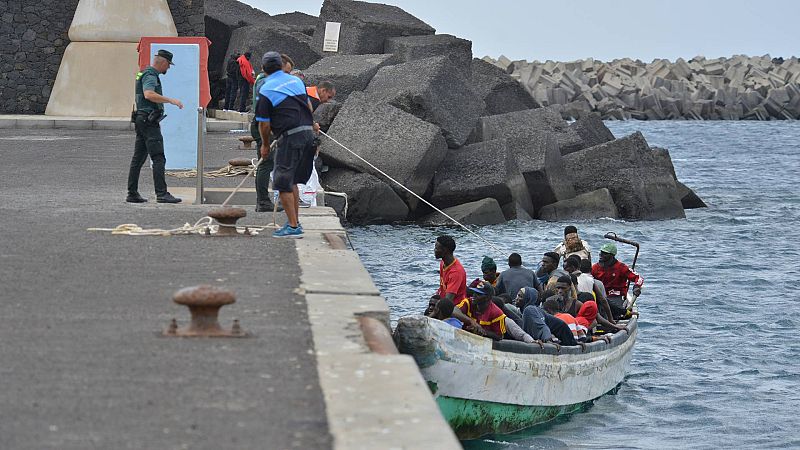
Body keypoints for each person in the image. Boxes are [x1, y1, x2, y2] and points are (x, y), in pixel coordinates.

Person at [254, 51, 316, 238]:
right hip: (308, 135)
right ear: (281, 66)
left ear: (264, 68)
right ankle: (295, 222)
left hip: (290, 138)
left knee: (282, 183)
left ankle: (293, 226)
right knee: (293, 181)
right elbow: (309, 107)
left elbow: (264, 123)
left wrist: (265, 145)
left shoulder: (265, 89)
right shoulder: (296, 81)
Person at [126, 49, 183, 204]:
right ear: (163, 62)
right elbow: (149, 94)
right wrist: (170, 100)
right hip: (148, 121)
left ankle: (132, 193)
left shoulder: (144, 73)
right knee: (158, 158)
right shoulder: (151, 75)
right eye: (168, 65)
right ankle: (162, 194)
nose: (169, 68)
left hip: (141, 119)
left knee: (138, 158)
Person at [453, 282, 534, 343]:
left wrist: (481, 331)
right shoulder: (468, 302)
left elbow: (499, 336)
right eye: (474, 292)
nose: (474, 295)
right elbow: (454, 310)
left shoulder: (496, 313)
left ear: (487, 298)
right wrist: (471, 322)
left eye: (478, 294)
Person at [592, 243, 643, 319]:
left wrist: (636, 287)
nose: (601, 255)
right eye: (601, 253)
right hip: (601, 295)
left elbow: (638, 278)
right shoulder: (595, 268)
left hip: (617, 295)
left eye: (605, 254)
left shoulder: (621, 267)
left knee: (614, 312)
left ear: (612, 256)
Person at [432, 235, 467, 304]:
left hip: (455, 306)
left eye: (436, 248)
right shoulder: (443, 263)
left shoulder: (456, 272)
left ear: (445, 250)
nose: (434, 250)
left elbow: (447, 302)